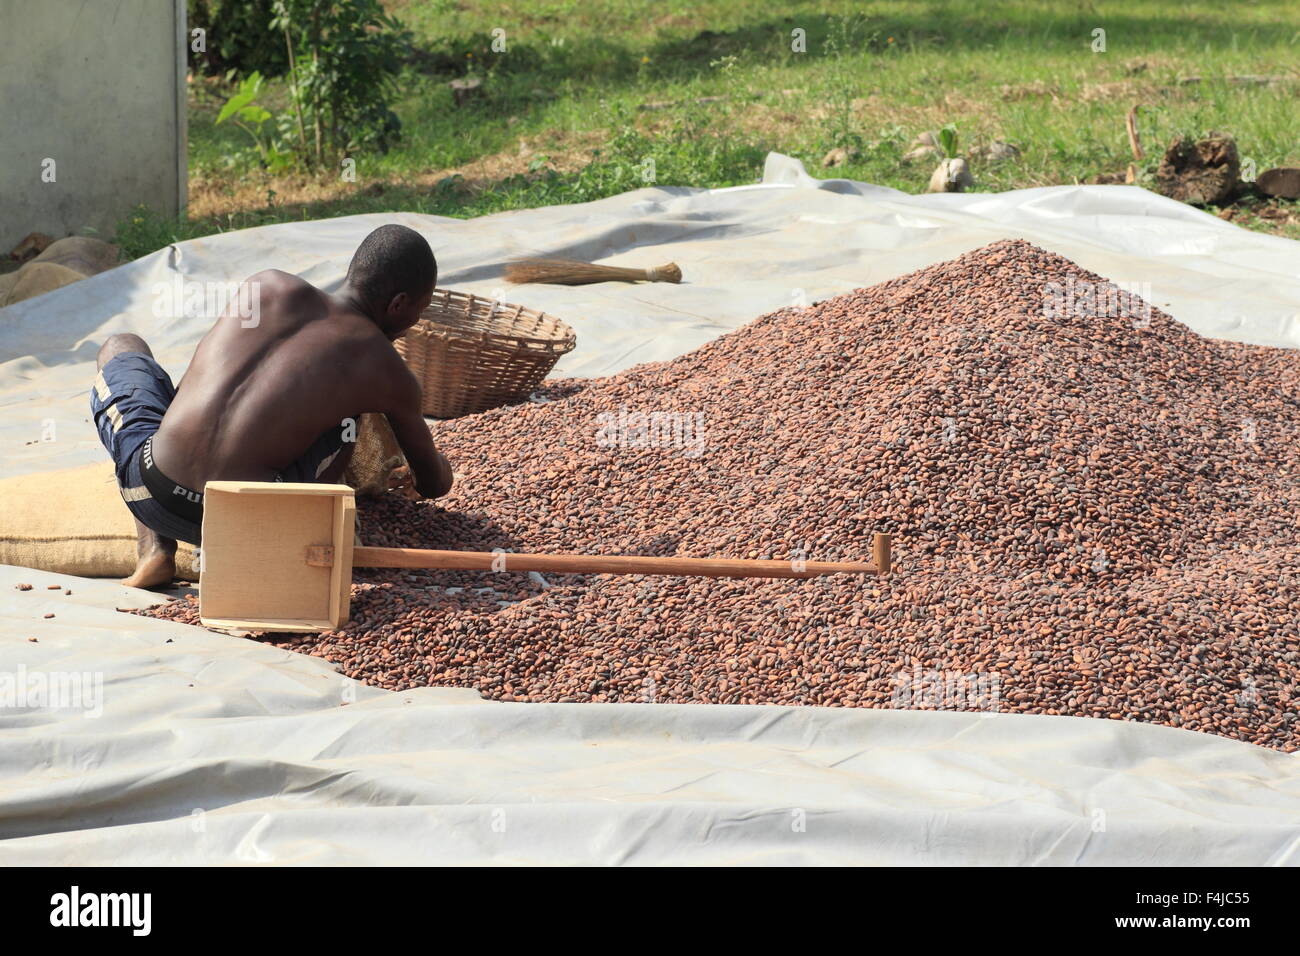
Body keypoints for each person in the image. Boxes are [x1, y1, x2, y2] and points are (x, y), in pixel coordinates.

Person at [90, 224, 454, 588]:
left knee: (121, 345)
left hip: (151, 491)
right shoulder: (386, 369)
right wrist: (439, 465)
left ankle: (155, 547)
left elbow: (191, 385)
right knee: (349, 415)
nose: (414, 323)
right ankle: (319, 526)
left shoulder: (266, 284)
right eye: (418, 312)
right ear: (398, 304)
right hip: (246, 520)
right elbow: (434, 484)